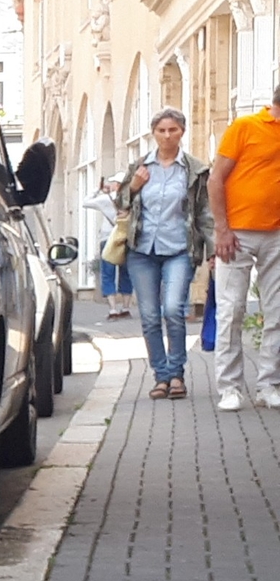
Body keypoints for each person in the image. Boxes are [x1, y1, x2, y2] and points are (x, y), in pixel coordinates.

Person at [116, 111, 209, 398]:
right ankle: (161, 376)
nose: (167, 135)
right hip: (142, 251)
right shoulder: (140, 166)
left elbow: (205, 213)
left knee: (172, 310)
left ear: (182, 132)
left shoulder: (194, 170)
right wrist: (133, 187)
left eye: (173, 130)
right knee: (149, 316)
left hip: (179, 249)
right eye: (161, 130)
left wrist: (215, 250)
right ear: (153, 133)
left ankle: (177, 375)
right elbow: (119, 201)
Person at [210, 93, 280, 410]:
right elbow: (215, 179)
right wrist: (222, 229)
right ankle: (230, 388)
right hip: (236, 233)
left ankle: (269, 385)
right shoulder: (246, 126)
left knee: (277, 312)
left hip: (276, 234)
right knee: (231, 309)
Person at [88, 175, 131, 316]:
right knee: (126, 273)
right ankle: (125, 307)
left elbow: (86, 202)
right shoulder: (130, 198)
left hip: (108, 238)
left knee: (108, 273)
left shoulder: (105, 199)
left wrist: (98, 190)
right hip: (125, 238)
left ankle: (113, 309)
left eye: (112, 183)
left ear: (116, 185)